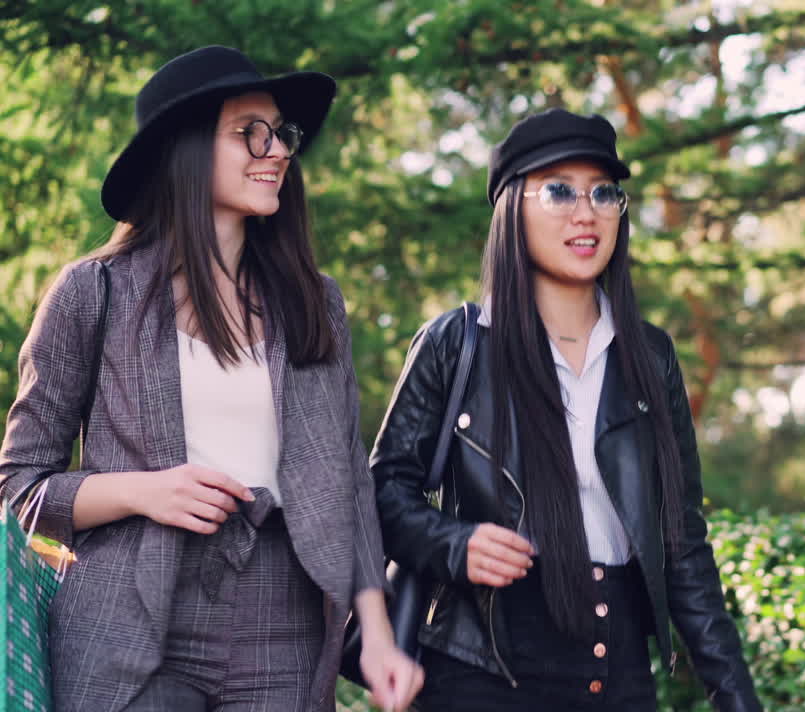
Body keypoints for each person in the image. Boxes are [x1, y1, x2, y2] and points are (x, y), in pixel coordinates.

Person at [0, 45, 422, 712]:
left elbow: (348, 478)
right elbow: (22, 488)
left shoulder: (314, 300)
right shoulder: (92, 292)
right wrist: (143, 491)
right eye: (248, 131)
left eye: (282, 132)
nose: (277, 149)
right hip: (127, 622)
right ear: (185, 148)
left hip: (284, 622)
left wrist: (375, 632)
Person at [370, 108, 763, 711]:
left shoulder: (649, 356)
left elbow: (681, 543)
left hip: (620, 667)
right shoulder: (456, 343)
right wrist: (455, 542)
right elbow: (380, 492)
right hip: (481, 668)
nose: (587, 212)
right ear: (510, 208)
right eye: (559, 191)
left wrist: (735, 696)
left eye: (605, 193)